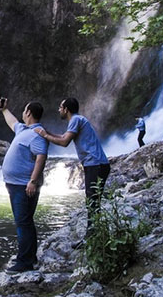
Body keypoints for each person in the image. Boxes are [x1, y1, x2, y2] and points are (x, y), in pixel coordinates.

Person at [34, 98, 110, 245]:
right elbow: (63, 136)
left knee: (93, 201)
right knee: (93, 200)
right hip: (96, 164)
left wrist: (45, 136)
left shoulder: (75, 119)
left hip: (95, 164)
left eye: (60, 107)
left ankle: (92, 239)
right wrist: (46, 132)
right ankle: (96, 236)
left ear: (66, 109)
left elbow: (64, 142)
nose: (58, 110)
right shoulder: (77, 120)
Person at [0, 97, 49, 273]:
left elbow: (41, 157)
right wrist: (4, 110)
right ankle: (30, 256)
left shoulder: (38, 134)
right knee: (25, 221)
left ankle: (24, 262)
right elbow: (13, 122)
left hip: (24, 185)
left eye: (24, 110)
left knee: (23, 222)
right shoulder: (24, 130)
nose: (22, 113)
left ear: (28, 113)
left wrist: (33, 181)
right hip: (15, 184)